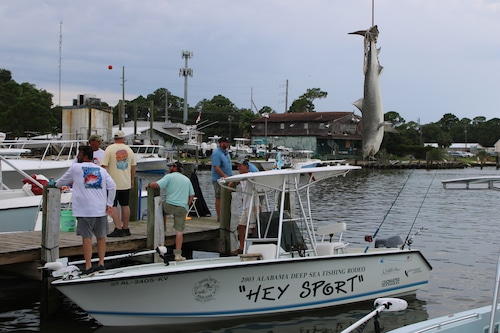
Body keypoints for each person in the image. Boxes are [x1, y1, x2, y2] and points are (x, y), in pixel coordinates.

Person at [56, 145, 116, 274]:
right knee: (101, 237)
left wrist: (53, 185)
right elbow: (112, 186)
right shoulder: (101, 170)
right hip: (100, 209)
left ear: (86, 156)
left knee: (86, 238)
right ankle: (101, 263)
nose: (78, 156)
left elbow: (61, 182)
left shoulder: (75, 167)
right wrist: (109, 203)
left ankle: (88, 266)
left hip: (84, 210)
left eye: (80, 154)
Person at [147, 161, 195, 261]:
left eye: (171, 166)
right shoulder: (187, 179)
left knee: (161, 210)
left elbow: (157, 185)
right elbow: (191, 195)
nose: (169, 168)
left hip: (170, 205)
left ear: (175, 167)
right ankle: (178, 254)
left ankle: (163, 230)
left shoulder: (169, 177)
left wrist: (149, 184)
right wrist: (187, 205)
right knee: (179, 231)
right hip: (182, 207)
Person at [101, 130, 137, 237]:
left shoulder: (109, 149)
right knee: (125, 205)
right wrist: (131, 180)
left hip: (112, 183)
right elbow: (133, 166)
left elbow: (103, 166)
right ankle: (126, 228)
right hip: (125, 182)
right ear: (123, 139)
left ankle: (118, 228)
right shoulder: (129, 150)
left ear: (114, 139)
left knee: (113, 205)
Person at [230, 158, 260, 255]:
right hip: (246, 205)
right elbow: (235, 183)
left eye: (240, 165)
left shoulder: (250, 175)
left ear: (246, 167)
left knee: (253, 227)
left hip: (253, 205)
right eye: (237, 166)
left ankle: (257, 246)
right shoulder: (241, 177)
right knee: (241, 225)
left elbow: (244, 177)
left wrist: (234, 180)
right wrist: (233, 183)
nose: (238, 167)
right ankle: (242, 246)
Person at [211, 137, 232, 221]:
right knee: (219, 197)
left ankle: (227, 215)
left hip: (228, 179)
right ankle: (219, 217)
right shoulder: (217, 153)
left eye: (227, 142)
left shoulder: (227, 153)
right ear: (220, 143)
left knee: (228, 198)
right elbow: (216, 166)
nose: (226, 144)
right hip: (219, 180)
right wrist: (224, 175)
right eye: (224, 142)